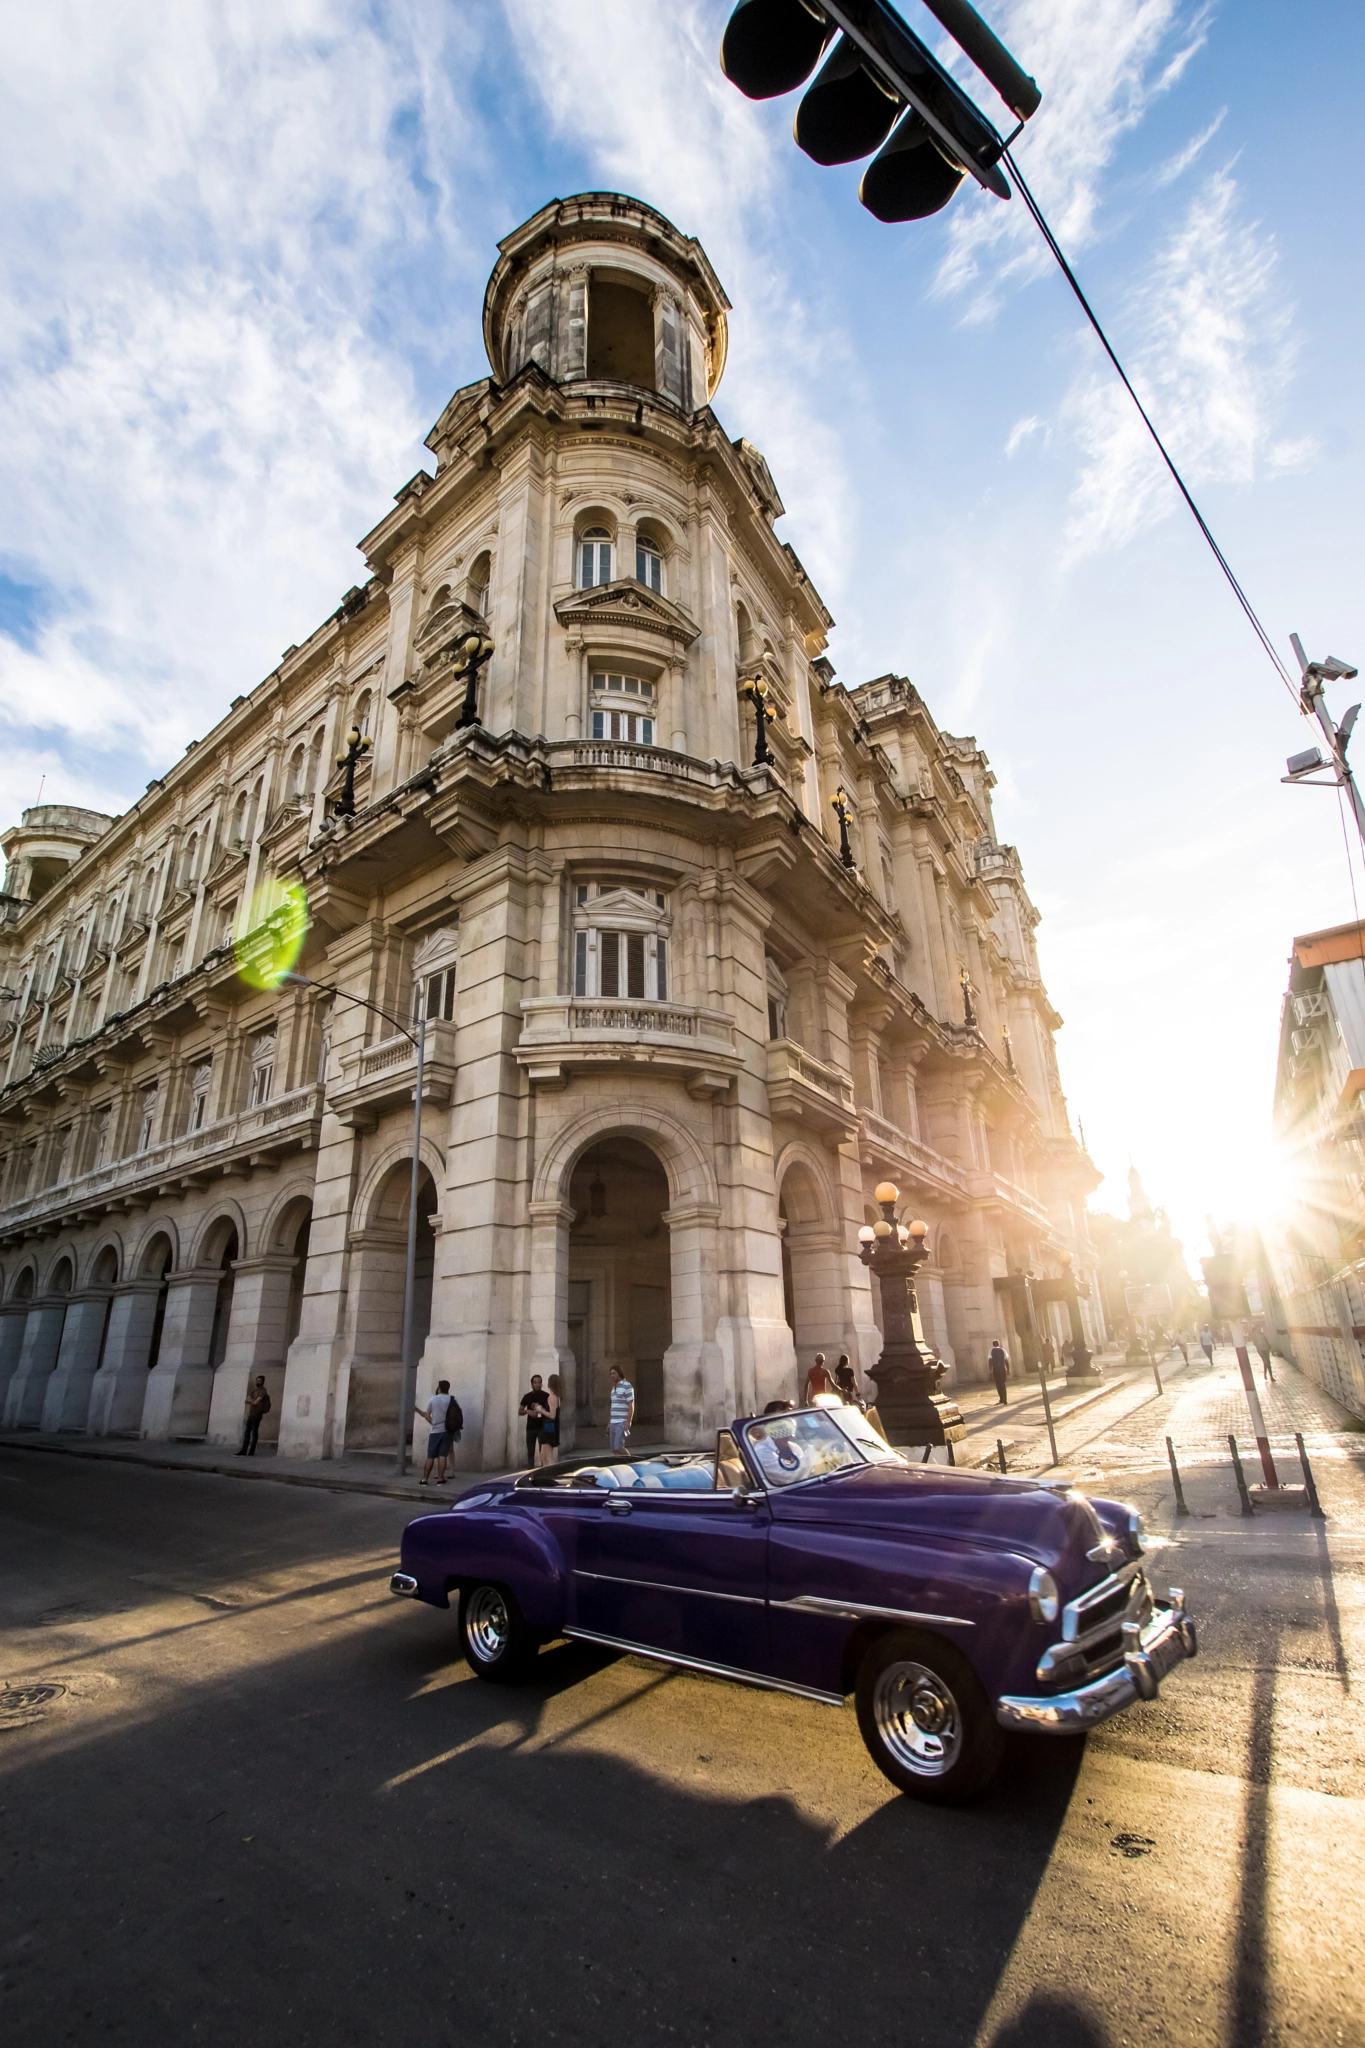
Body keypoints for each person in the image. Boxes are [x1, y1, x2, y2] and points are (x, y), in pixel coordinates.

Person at [417, 1380, 462, 1486]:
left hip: (435, 1431)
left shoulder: (433, 1400)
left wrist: (433, 1423)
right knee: (443, 1456)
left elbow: (427, 1415)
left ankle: (424, 1479)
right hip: (447, 1431)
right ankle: (440, 1478)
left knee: (430, 1456)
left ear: (439, 1388)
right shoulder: (453, 1399)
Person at [518, 1375, 550, 1467]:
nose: (537, 1384)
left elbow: (550, 1411)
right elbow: (520, 1411)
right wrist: (528, 1411)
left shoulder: (546, 1396)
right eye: (535, 1382)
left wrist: (542, 1410)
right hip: (531, 1427)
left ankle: (542, 1470)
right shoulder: (527, 1397)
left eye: (539, 1382)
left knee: (543, 1451)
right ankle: (530, 1470)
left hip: (542, 1426)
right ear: (532, 1384)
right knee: (530, 1451)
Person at [238, 1375, 271, 1456]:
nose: (257, 1382)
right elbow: (246, 1400)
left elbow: (256, 1402)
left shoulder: (263, 1391)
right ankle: (244, 1450)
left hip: (257, 1415)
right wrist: (253, 1401)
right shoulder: (254, 1390)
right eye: (257, 1381)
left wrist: (252, 1401)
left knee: (254, 1433)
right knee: (247, 1433)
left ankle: (251, 1451)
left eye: (259, 1381)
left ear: (263, 1382)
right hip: (251, 1414)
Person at [537, 1373, 563, 1466]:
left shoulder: (553, 1397)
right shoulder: (556, 1396)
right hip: (550, 1427)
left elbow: (552, 1415)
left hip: (549, 1428)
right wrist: (543, 1409)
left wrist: (540, 1410)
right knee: (543, 1455)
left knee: (547, 1456)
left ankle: (550, 1476)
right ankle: (546, 1475)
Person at [607, 1365, 634, 1454]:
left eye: (614, 1373)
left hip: (621, 1421)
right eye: (611, 1374)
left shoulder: (627, 1386)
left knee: (619, 1447)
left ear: (619, 1373)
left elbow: (631, 1404)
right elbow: (613, 1406)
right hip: (613, 1422)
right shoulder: (613, 1388)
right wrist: (610, 1422)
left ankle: (630, 1460)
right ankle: (618, 1464)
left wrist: (628, 1421)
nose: (612, 1376)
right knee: (614, 1449)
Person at [988, 1339, 1010, 1406]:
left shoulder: (991, 1351)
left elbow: (990, 1360)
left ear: (993, 1344)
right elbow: (1006, 1360)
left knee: (998, 1384)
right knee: (1003, 1384)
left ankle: (1001, 1399)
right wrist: (1008, 1369)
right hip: (1002, 1369)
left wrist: (990, 1369)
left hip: (996, 1369)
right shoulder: (1003, 1350)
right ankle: (1005, 1400)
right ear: (999, 1344)